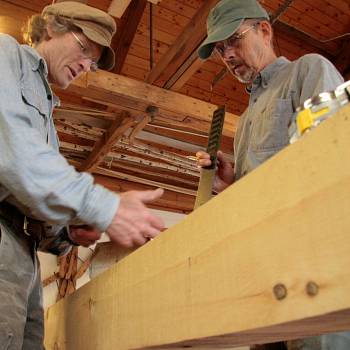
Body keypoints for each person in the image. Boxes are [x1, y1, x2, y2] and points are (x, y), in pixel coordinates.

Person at [0, 1, 165, 348]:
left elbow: (30, 196)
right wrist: (105, 206)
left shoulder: (47, 113)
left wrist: (71, 234)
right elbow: (15, 154)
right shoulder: (5, 53)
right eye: (84, 48)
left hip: (21, 251)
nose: (85, 65)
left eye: (92, 61)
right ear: (50, 29)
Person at [196, 0, 348, 349]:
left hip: (313, 266)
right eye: (220, 49)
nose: (227, 55)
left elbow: (332, 156)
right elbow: (263, 188)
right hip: (264, 272)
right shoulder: (247, 118)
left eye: (233, 40)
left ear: (264, 30)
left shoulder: (309, 70)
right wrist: (231, 182)